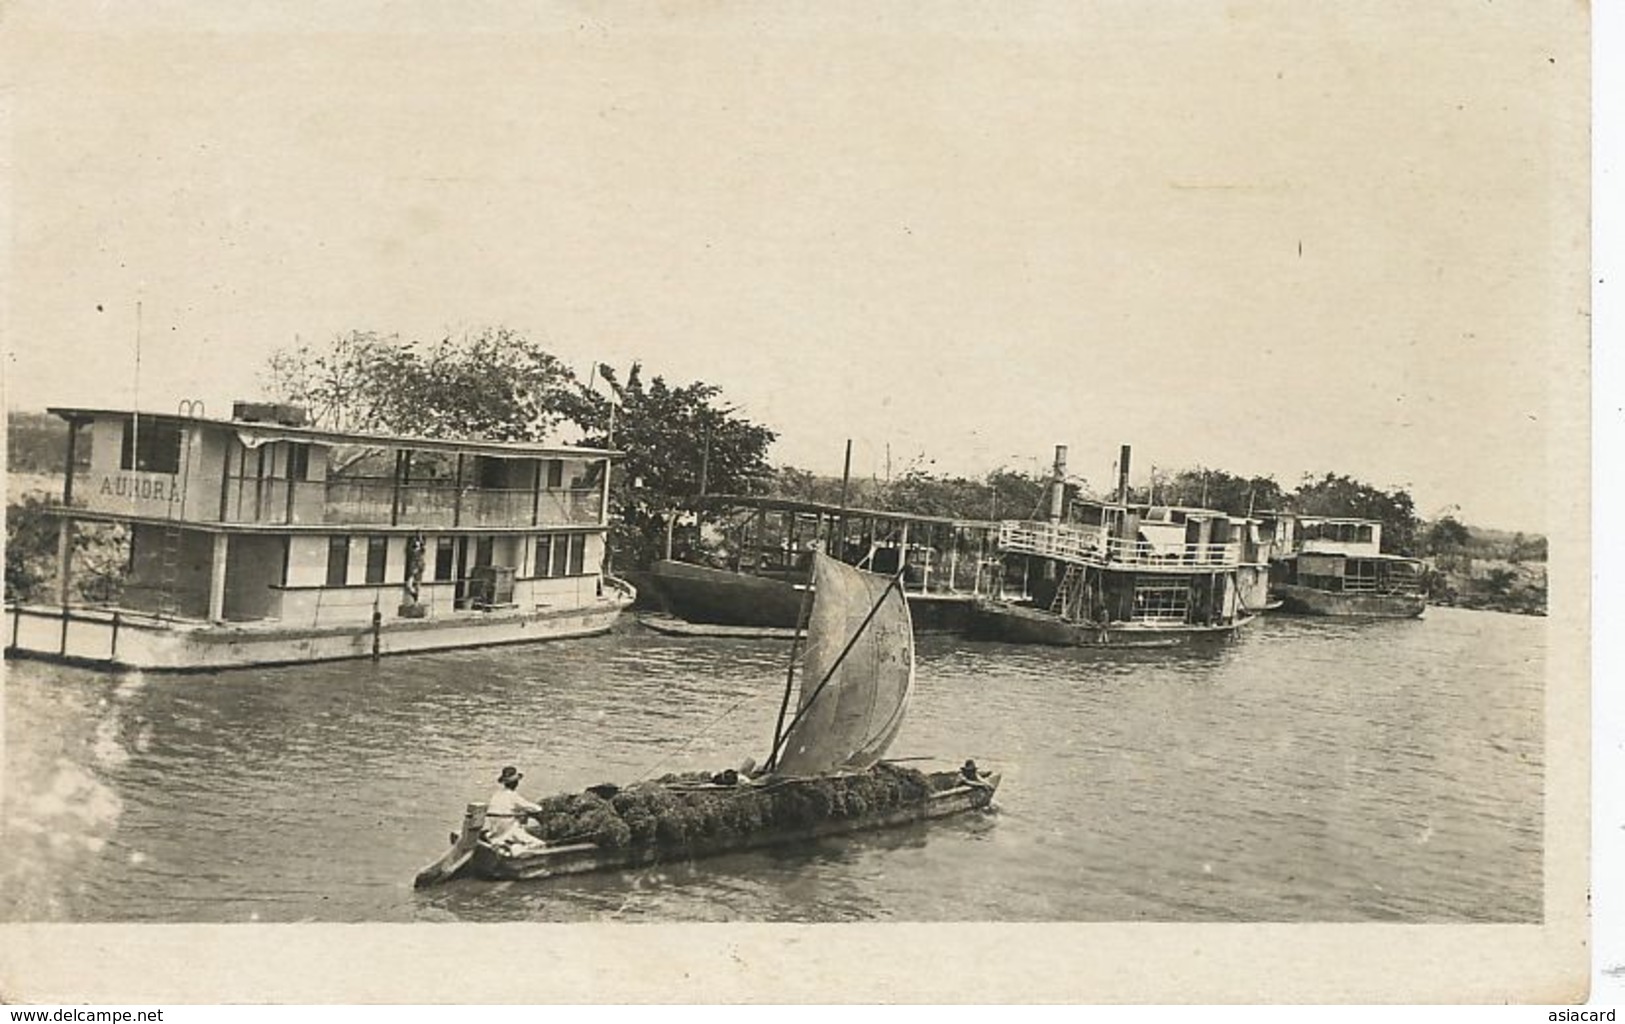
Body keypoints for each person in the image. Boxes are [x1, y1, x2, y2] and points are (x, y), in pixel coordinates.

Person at [486, 766, 547, 852]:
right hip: (508, 830)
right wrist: (542, 808)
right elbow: (534, 808)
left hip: (496, 830)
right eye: (516, 781)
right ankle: (514, 848)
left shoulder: (496, 795)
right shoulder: (513, 796)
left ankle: (503, 843)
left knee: (516, 822)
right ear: (515, 783)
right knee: (540, 845)